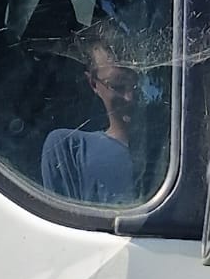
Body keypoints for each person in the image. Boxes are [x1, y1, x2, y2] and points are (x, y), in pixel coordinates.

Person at [40, 22, 141, 206]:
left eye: (136, 83)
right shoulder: (69, 148)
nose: (129, 97)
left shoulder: (175, 143)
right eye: (117, 86)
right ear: (93, 83)